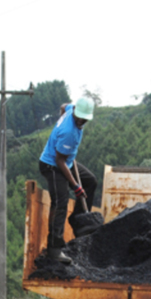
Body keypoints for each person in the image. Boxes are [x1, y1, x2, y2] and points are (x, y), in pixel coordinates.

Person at [39, 97, 98, 264]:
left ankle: (79, 222)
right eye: (78, 117)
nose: (80, 120)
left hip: (67, 162)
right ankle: (54, 249)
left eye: (84, 118)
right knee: (60, 203)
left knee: (91, 181)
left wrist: (79, 184)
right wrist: (75, 186)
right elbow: (59, 161)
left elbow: (63, 106)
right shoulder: (69, 132)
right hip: (52, 165)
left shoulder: (71, 108)